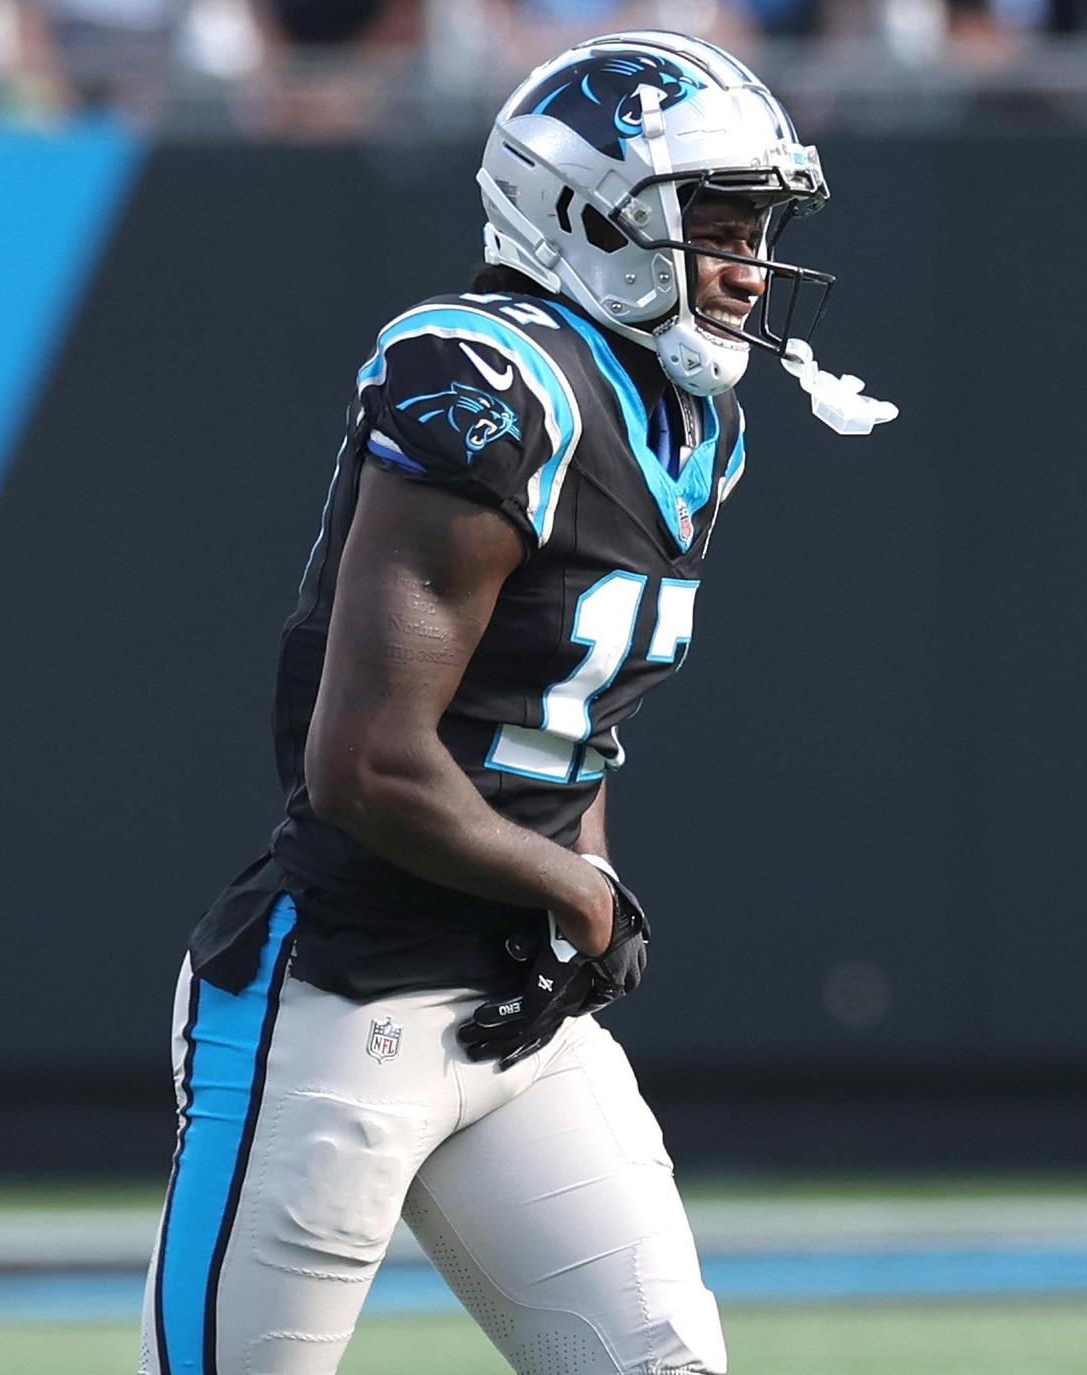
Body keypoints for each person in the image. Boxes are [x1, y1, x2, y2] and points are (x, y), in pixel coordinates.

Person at [139, 30, 894, 1375]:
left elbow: (565, 712)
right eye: (711, 227)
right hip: (341, 1001)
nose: (745, 266)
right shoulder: (487, 376)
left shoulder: (688, 420)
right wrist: (584, 894)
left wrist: (574, 878)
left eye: (756, 229)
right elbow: (364, 763)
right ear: (584, 216)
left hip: (518, 1015)